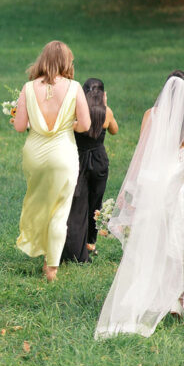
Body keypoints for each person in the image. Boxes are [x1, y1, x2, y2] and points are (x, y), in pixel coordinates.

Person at [95, 72, 184, 338]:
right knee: (180, 242)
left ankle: (166, 299)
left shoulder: (151, 115)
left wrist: (134, 192)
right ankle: (180, 297)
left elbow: (142, 154)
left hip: (157, 182)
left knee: (159, 243)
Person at [13, 40, 91, 282]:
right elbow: (86, 125)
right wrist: (69, 125)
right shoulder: (75, 87)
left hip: (35, 154)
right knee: (60, 210)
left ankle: (39, 246)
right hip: (63, 154)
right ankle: (52, 268)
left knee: (38, 202)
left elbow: (19, 126)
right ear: (67, 62)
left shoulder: (28, 88)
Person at [60, 78, 118, 264]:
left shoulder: (78, 112)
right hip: (99, 160)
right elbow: (114, 130)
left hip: (79, 159)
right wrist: (106, 109)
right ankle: (90, 242)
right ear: (102, 95)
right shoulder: (106, 113)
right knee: (95, 201)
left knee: (78, 203)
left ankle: (74, 245)